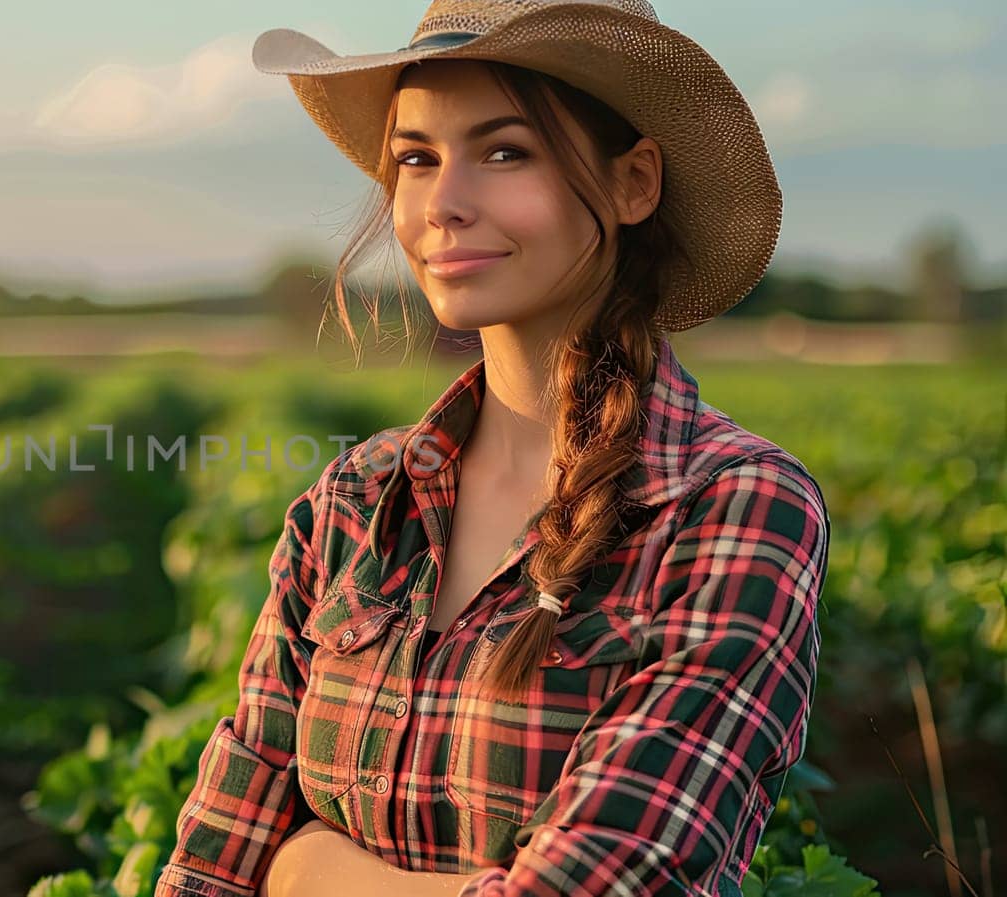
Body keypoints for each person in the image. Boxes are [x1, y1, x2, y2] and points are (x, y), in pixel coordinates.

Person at [153, 1, 832, 896]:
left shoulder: (734, 507)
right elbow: (216, 855)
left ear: (634, 183)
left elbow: (595, 884)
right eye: (416, 159)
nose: (443, 204)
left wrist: (310, 869)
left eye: (505, 151)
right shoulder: (353, 503)